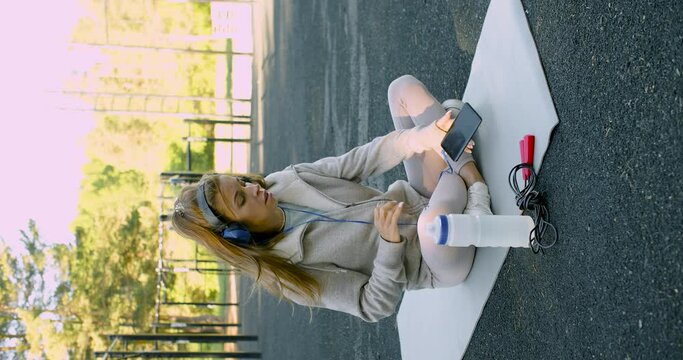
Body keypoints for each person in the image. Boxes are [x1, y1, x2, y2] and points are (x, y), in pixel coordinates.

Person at [171, 75, 493, 322]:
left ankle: (460, 163)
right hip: (434, 258)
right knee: (431, 223)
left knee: (401, 90)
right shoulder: (289, 274)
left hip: (420, 196)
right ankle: (463, 164)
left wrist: (419, 138)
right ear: (237, 235)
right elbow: (373, 305)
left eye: (241, 182)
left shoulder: (286, 180)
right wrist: (389, 245)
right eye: (241, 199)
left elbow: (363, 159)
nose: (253, 187)